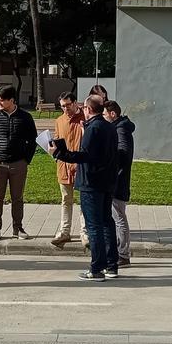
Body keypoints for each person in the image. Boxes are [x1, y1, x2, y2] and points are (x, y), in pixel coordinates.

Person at [51, 95, 118, 281]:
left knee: (94, 225)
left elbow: (85, 155)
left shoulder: (93, 128)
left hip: (91, 182)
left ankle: (96, 268)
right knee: (106, 222)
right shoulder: (109, 126)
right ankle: (111, 265)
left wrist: (58, 153)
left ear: (88, 109)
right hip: (107, 181)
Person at [0, 85, 38, 241]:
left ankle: (17, 228)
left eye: (1, 100)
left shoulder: (25, 117)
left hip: (19, 163)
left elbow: (33, 140)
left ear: (11, 100)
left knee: (17, 197)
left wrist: (27, 159)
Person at [51, 91, 88, 248]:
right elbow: (57, 139)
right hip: (64, 167)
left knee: (84, 201)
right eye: (62, 106)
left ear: (75, 103)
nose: (65, 109)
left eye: (67, 105)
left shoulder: (85, 119)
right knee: (66, 200)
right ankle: (64, 231)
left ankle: (85, 232)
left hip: (81, 166)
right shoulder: (59, 120)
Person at [104, 100, 135, 267]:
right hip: (116, 178)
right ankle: (119, 251)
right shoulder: (119, 127)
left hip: (118, 180)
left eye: (104, 114)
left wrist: (108, 157)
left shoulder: (120, 129)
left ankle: (123, 254)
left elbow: (123, 153)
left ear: (112, 114)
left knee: (119, 217)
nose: (103, 117)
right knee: (116, 216)